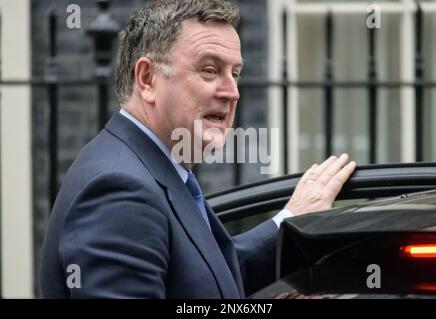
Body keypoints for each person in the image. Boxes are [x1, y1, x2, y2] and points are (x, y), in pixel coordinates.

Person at [40, 0, 356, 298]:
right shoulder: (119, 192)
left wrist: (290, 220)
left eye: (235, 73)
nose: (232, 92)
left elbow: (209, 278)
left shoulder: (155, 168)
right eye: (209, 70)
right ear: (147, 79)